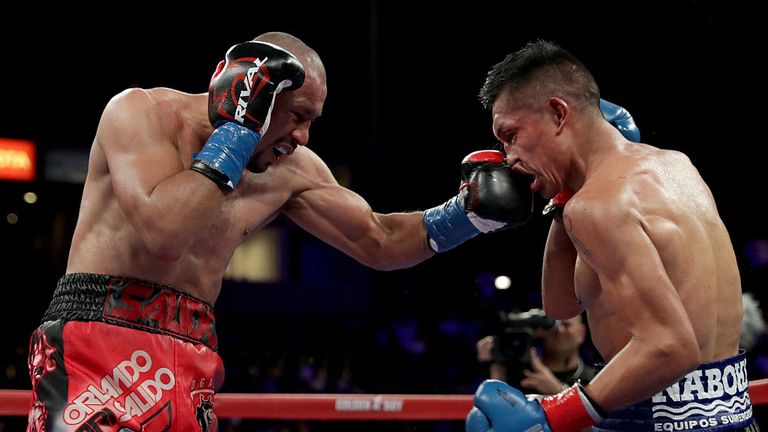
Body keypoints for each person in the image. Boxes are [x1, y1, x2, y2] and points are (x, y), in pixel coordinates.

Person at [25, 31, 536, 432]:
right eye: (296, 116)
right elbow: (165, 233)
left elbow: (378, 240)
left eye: (313, 121)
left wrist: (466, 215)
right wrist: (239, 131)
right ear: (250, 97)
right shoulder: (140, 113)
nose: (302, 137)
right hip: (97, 336)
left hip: (193, 352)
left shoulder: (291, 170)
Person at [466, 40, 754, 432]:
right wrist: (562, 200)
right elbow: (563, 304)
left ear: (557, 113)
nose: (508, 157)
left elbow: (670, 346)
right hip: (734, 416)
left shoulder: (599, 208)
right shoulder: (675, 165)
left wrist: (553, 417)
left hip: (654, 421)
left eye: (511, 135)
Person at [477, 314, 595, 394]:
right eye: (553, 324)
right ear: (539, 331)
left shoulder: (593, 379)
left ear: (581, 333)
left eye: (566, 324)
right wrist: (495, 367)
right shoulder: (520, 376)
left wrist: (558, 391)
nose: (559, 330)